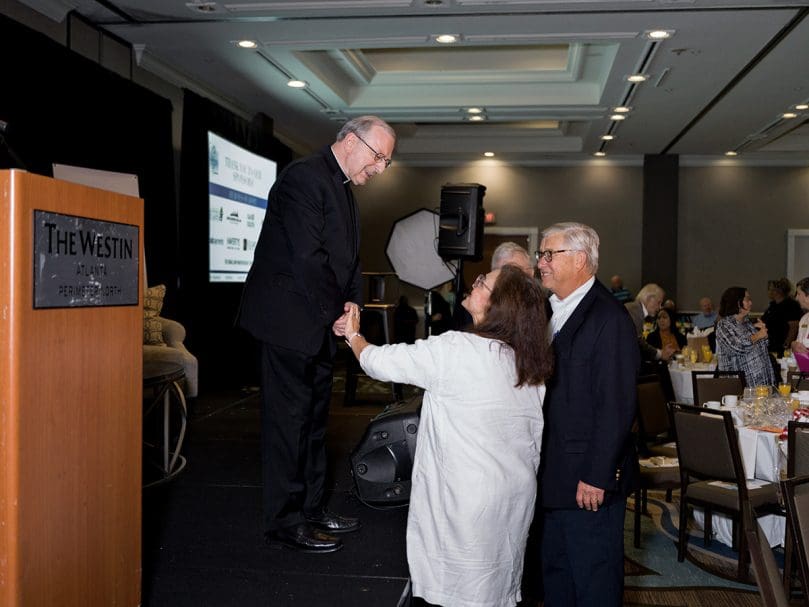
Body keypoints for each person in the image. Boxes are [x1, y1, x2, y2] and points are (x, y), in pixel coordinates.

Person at [337, 265, 553, 607]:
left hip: (466, 500)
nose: (474, 282)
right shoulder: (527, 362)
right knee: (495, 587)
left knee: (457, 588)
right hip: (513, 495)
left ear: (497, 304)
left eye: (483, 282)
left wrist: (353, 335)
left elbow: (379, 361)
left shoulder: (457, 349)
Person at [236, 115, 396, 553]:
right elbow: (309, 259)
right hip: (288, 324)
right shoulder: (304, 178)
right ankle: (284, 521)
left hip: (319, 324)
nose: (380, 169)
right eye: (378, 156)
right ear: (349, 141)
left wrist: (352, 306)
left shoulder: (342, 186)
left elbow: (347, 260)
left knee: (313, 425)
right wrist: (337, 316)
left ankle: (310, 508)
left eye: (386, 161)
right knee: (289, 426)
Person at [536, 222, 639, 607]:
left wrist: (597, 475)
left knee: (594, 579)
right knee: (558, 575)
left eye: (550, 254)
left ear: (580, 259)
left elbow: (616, 405)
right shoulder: (550, 309)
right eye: (541, 255)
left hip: (588, 482)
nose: (541, 263)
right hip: (555, 475)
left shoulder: (608, 318)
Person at [715, 286, 776, 388]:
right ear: (736, 302)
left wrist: (763, 333)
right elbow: (737, 347)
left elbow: (764, 346)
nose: (751, 303)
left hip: (760, 384)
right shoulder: (724, 325)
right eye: (747, 299)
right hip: (739, 387)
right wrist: (758, 335)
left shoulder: (747, 323)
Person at [624, 283, 676, 363]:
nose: (660, 307)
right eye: (659, 303)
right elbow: (637, 343)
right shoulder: (635, 311)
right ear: (649, 298)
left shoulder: (634, 309)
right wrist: (660, 354)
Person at [762, 277, 803, 356]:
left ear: (778, 291)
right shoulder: (773, 305)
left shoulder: (790, 305)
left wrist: (786, 345)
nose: (769, 292)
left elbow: (794, 327)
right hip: (771, 345)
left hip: (781, 347)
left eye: (771, 289)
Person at [791, 277, 809, 353]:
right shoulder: (804, 319)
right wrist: (793, 345)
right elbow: (799, 343)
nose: (796, 298)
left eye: (799, 294)